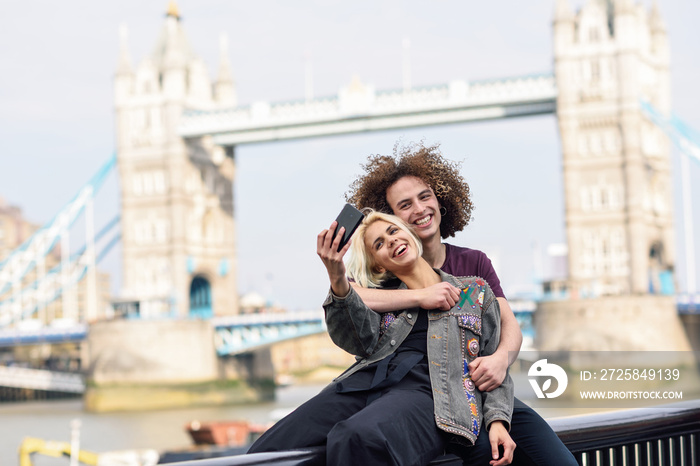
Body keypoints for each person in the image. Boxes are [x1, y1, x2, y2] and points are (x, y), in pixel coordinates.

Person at [346, 142, 578, 466]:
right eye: (405, 205)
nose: (420, 209)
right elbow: (349, 296)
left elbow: (508, 325)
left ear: (440, 200)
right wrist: (419, 295)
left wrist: (500, 360)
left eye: (425, 196)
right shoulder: (385, 274)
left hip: (487, 392)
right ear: (391, 219)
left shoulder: (474, 263)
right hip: (433, 402)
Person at [248, 210, 515, 466]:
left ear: (410, 234)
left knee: (359, 438)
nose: (391, 240)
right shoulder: (379, 298)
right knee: (266, 452)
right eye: (379, 243)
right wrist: (336, 275)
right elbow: (353, 338)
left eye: (393, 231)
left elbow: (495, 363)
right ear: (377, 264)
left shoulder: (473, 291)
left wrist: (498, 421)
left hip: (430, 392)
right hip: (364, 384)